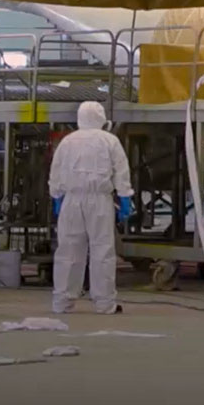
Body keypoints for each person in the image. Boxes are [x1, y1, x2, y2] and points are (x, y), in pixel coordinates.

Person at [49, 100, 132, 315]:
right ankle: (104, 303)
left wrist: (56, 196)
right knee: (102, 250)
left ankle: (62, 302)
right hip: (100, 200)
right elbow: (121, 171)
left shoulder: (68, 141)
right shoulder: (110, 140)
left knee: (68, 250)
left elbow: (56, 170)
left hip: (71, 200)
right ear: (102, 119)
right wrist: (125, 197)